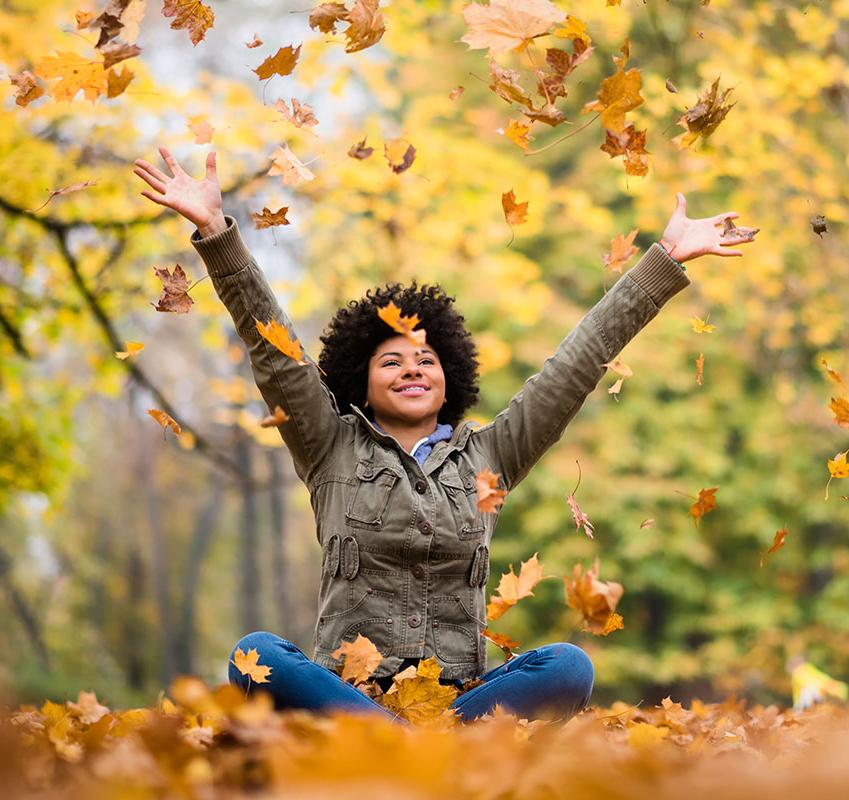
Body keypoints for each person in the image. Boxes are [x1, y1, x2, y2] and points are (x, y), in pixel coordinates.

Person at [132, 145, 757, 722]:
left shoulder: (491, 455)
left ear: (448, 375)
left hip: (459, 706)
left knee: (569, 665)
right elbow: (275, 351)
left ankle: (409, 753)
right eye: (391, 361)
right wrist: (217, 235)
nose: (411, 368)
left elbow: (576, 365)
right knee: (255, 652)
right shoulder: (329, 445)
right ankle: (396, 748)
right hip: (350, 699)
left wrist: (663, 262)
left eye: (425, 359)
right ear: (362, 381)